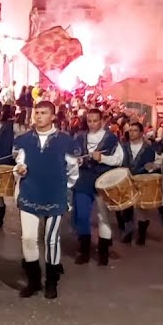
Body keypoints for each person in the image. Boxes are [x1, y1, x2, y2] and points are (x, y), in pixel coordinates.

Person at [13, 101, 78, 300]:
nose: (38, 116)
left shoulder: (65, 140)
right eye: (36, 113)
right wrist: (20, 170)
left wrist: (64, 187)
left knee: (51, 240)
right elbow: (19, 162)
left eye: (43, 113)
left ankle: (51, 282)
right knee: (28, 238)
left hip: (54, 194)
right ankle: (33, 281)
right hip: (30, 192)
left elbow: (73, 169)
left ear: (52, 116)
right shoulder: (23, 139)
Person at [72, 108, 124, 265]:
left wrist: (102, 158)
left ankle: (103, 254)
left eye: (95, 121)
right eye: (89, 121)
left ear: (102, 121)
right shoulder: (80, 137)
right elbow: (72, 156)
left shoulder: (111, 139)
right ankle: (84, 249)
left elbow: (119, 159)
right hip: (84, 179)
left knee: (103, 216)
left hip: (104, 179)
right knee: (81, 215)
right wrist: (77, 161)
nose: (92, 124)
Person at [119, 122, 159, 246]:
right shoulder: (122, 147)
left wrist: (152, 166)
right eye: (130, 130)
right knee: (126, 208)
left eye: (135, 130)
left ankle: (141, 234)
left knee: (141, 209)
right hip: (126, 180)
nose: (132, 133)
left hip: (142, 181)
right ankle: (129, 232)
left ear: (141, 133)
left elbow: (158, 162)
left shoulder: (149, 149)